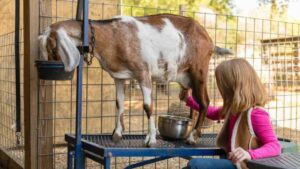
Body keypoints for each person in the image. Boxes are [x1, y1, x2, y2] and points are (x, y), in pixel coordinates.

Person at [180, 58, 281, 169]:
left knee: (195, 165)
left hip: (243, 165)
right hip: (231, 161)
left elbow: (274, 146)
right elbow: (214, 113)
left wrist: (249, 154)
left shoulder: (256, 114)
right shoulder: (234, 108)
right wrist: (189, 100)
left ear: (232, 87)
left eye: (222, 85)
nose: (220, 89)